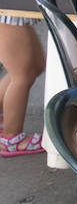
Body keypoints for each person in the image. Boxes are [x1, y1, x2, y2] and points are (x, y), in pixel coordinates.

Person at [0, 19, 44, 157]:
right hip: (7, 11)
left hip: (14, 11)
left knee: (36, 65)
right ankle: (11, 139)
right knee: (22, 76)